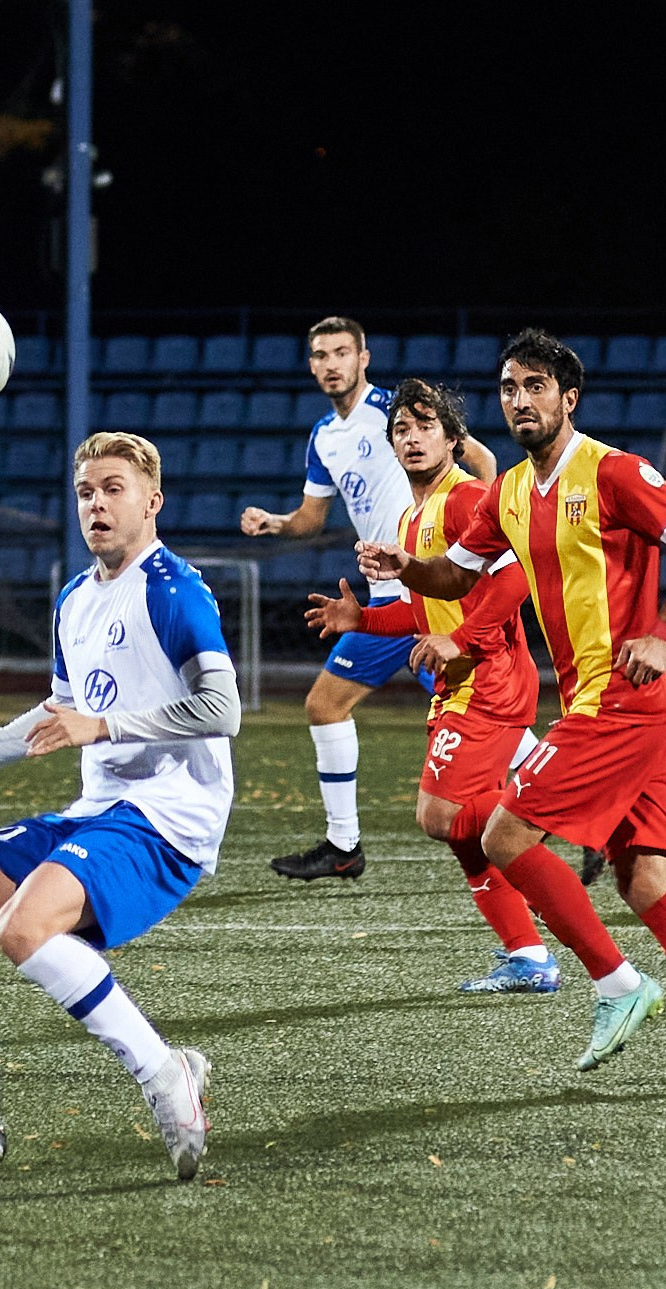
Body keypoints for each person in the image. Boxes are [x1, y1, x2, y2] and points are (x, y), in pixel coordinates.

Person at [360, 329, 666, 1090]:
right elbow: (454, 576)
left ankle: (618, 986)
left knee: (503, 833)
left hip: (620, 701)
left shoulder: (611, 471)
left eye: (534, 387)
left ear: (568, 398)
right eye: (508, 388)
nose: (519, 401)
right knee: (644, 880)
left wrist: (662, 634)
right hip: (606, 703)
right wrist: (410, 568)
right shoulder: (505, 493)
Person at [0, 430, 237, 1182]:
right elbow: (60, 710)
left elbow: (223, 706)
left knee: (23, 925)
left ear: (152, 499)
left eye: (113, 488)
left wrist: (106, 725)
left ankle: (166, 1073)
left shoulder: (174, 589)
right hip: (102, 806)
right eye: (85, 492)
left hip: (170, 814)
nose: (97, 504)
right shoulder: (76, 598)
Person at [306, 378, 555, 994]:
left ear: (452, 438)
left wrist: (463, 641)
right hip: (460, 680)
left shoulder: (465, 498)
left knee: (443, 814)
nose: (411, 438)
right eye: (401, 429)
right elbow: (422, 614)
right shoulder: (413, 515)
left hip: (489, 675)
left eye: (424, 426)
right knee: (456, 824)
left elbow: (515, 577)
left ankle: (549, 836)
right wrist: (360, 619)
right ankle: (527, 952)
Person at [240, 316, 507, 881]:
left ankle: (572, 809)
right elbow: (313, 519)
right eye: (320, 355)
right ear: (311, 365)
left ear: (364, 358)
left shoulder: (401, 412)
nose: (331, 363)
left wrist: (468, 543)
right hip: (389, 598)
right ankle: (344, 847)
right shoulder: (324, 438)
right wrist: (275, 523)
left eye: (342, 352)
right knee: (330, 704)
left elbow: (480, 462)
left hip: (430, 592)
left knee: (482, 710)